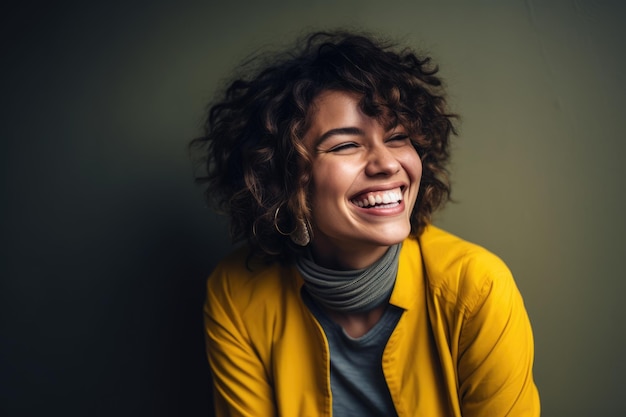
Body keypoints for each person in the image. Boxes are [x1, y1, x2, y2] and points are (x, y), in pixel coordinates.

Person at [191, 30, 540, 417]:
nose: (388, 163)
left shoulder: (477, 286)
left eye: (398, 137)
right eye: (346, 145)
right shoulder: (236, 293)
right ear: (285, 178)